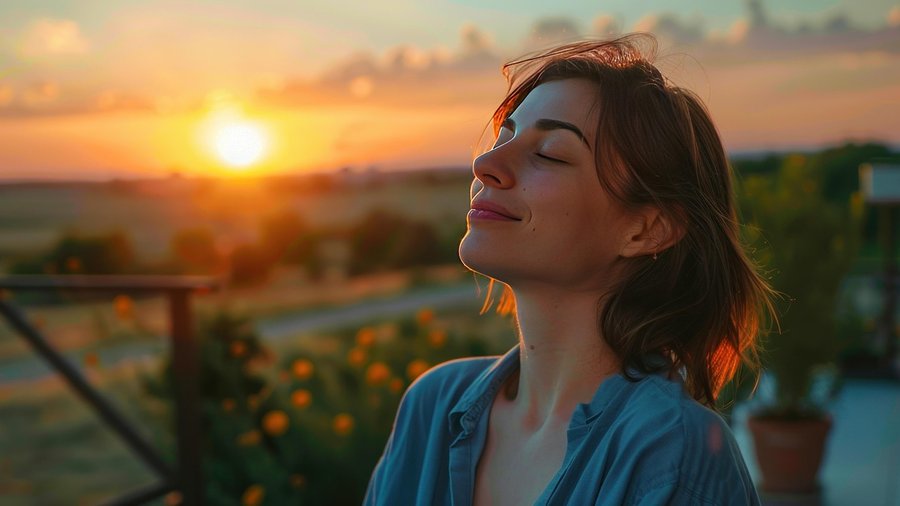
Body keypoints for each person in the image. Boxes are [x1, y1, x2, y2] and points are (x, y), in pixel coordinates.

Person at [364, 33, 772, 506]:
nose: (486, 164)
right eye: (506, 136)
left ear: (647, 230)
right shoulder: (433, 408)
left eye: (550, 153)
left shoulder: (672, 456)